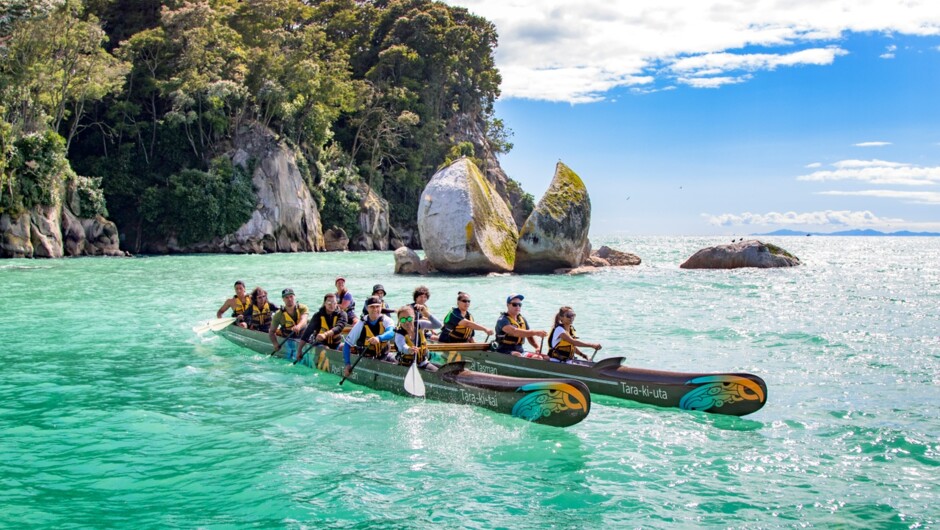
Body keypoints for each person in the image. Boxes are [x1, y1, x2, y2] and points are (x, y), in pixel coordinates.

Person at [343, 296, 396, 377]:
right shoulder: (361, 323)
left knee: (396, 361)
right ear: (367, 308)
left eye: (377, 306)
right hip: (366, 358)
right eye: (372, 307)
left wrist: (379, 338)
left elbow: (391, 332)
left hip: (383, 355)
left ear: (381, 307)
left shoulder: (387, 320)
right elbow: (347, 344)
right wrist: (347, 364)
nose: (375, 309)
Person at [296, 293, 348, 363]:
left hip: (336, 344)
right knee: (326, 349)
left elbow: (339, 327)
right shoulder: (317, 316)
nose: (332, 305)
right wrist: (299, 351)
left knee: (346, 348)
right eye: (329, 303)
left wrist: (325, 334)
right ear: (324, 303)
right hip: (321, 344)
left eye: (334, 303)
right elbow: (307, 334)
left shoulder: (342, 314)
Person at [494, 294, 548, 358]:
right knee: (517, 355)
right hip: (503, 350)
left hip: (520, 350)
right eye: (514, 304)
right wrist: (536, 332)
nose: (518, 307)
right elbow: (515, 332)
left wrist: (537, 347)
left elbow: (529, 335)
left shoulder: (522, 319)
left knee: (544, 358)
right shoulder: (502, 320)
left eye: (519, 305)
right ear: (508, 305)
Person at [393, 305, 439, 372]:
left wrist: (426, 314)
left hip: (423, 363)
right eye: (402, 320)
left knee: (439, 374)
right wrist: (409, 350)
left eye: (409, 319)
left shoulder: (420, 324)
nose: (406, 322)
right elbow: (401, 346)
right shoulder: (399, 333)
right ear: (399, 321)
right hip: (405, 364)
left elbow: (438, 325)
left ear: (414, 317)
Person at [268, 288, 309, 361]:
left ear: (294, 297)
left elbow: (304, 320)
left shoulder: (302, 308)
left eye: (291, 296)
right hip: (289, 339)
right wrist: (275, 344)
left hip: (303, 338)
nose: (289, 299)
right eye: (286, 297)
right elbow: (271, 332)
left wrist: (298, 326)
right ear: (283, 299)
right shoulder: (278, 315)